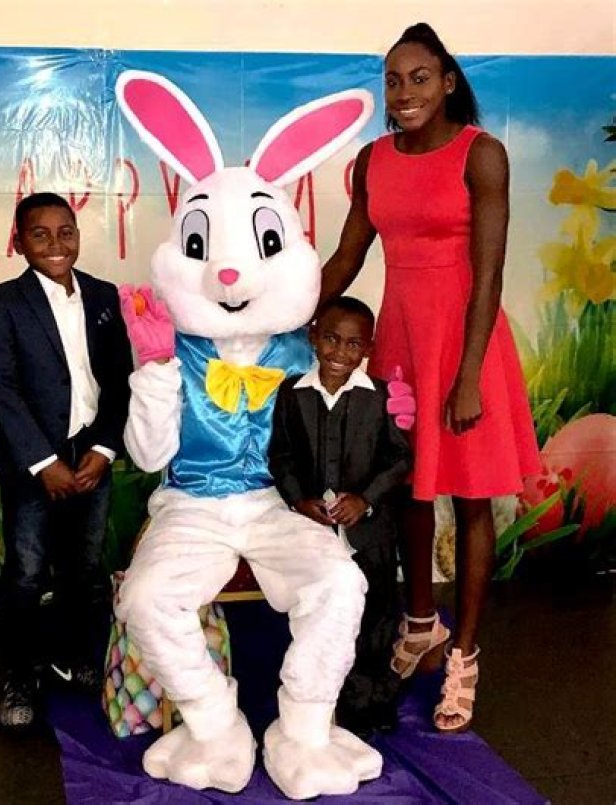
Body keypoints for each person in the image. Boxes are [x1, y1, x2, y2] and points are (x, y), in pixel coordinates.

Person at [319, 23, 540, 733]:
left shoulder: (482, 153)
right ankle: (421, 625)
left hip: (467, 345)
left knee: (470, 500)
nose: (404, 91)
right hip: (401, 344)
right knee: (407, 492)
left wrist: (468, 376)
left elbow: (490, 271)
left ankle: (464, 656)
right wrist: (278, 313)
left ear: (447, 83)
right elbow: (348, 257)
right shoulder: (372, 160)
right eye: (392, 80)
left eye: (419, 77)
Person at [0, 192, 133, 732]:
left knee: (84, 569)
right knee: (26, 571)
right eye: (39, 234)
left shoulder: (103, 295)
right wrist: (43, 462)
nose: (55, 243)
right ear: (19, 241)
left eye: (65, 231)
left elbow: (119, 380)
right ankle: (20, 673)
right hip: (33, 460)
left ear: (78, 235)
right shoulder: (5, 301)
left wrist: (104, 448)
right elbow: (0, 387)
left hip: (91, 454)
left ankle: (75, 656)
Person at [269, 296, 412, 737]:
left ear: (368, 348)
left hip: (370, 532)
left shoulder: (382, 397)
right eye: (331, 339)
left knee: (377, 615)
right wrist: (298, 500)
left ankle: (373, 699)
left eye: (353, 345)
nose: (339, 353)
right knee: (329, 614)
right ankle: (333, 696)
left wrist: (365, 500)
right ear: (314, 337)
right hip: (315, 533)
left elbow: (400, 459)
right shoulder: (291, 393)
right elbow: (282, 456)